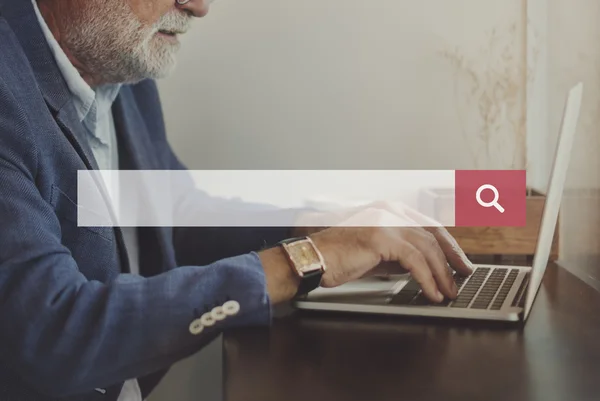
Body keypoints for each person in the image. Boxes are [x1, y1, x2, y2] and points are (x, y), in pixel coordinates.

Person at [0, 0, 475, 400]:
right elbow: (52, 330)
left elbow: (175, 215)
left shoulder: (118, 63)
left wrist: (318, 227)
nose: (200, 6)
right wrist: (305, 260)